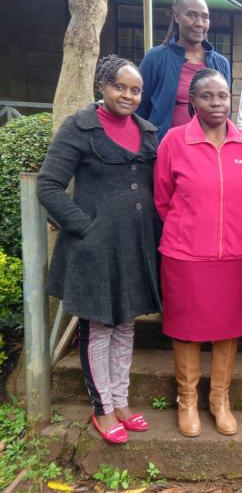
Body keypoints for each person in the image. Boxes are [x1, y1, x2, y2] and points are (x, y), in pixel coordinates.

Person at [37, 55, 161, 444]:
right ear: (101, 87)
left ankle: (121, 401)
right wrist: (85, 227)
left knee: (125, 326)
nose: (128, 95)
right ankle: (102, 409)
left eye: (135, 90)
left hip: (135, 246)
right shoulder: (80, 127)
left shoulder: (147, 130)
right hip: (94, 248)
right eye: (120, 87)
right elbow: (48, 186)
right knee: (98, 329)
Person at [154, 69, 242, 438]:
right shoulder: (173, 140)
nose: (216, 102)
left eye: (223, 95)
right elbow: (163, 198)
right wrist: (191, 230)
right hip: (186, 254)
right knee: (186, 329)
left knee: (228, 329)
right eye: (207, 96)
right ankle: (187, 400)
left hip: (237, 254)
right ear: (192, 102)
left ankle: (219, 400)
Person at [137, 0, 231, 140]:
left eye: (205, 17)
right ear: (176, 16)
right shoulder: (156, 58)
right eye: (192, 15)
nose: (199, 23)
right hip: (163, 150)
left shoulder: (221, 63)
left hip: (209, 150)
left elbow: (225, 113)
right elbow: (138, 111)